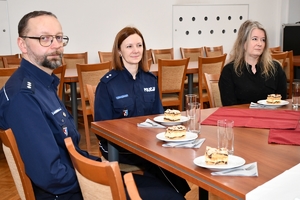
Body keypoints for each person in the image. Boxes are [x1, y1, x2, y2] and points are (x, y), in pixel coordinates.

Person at [0, 11, 185, 200]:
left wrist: (98, 167)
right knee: (170, 196)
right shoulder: (23, 97)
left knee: (167, 187)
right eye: (44, 38)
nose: (56, 45)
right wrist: (99, 178)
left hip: (77, 176)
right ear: (22, 44)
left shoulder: (42, 85)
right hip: (68, 192)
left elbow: (70, 151)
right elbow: (51, 175)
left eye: (58, 37)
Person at [94, 26, 190, 197]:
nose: (135, 50)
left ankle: (168, 192)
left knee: (173, 162)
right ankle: (172, 194)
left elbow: (158, 118)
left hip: (147, 144)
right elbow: (102, 130)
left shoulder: (150, 79)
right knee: (168, 173)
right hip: (118, 147)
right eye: (129, 46)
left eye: (139, 45)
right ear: (119, 51)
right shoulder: (108, 84)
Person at [219, 20, 287, 106]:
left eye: (263, 40)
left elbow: (282, 102)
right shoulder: (229, 71)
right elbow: (229, 106)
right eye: (255, 39)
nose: (260, 44)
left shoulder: (275, 68)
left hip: (270, 118)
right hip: (241, 118)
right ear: (243, 43)